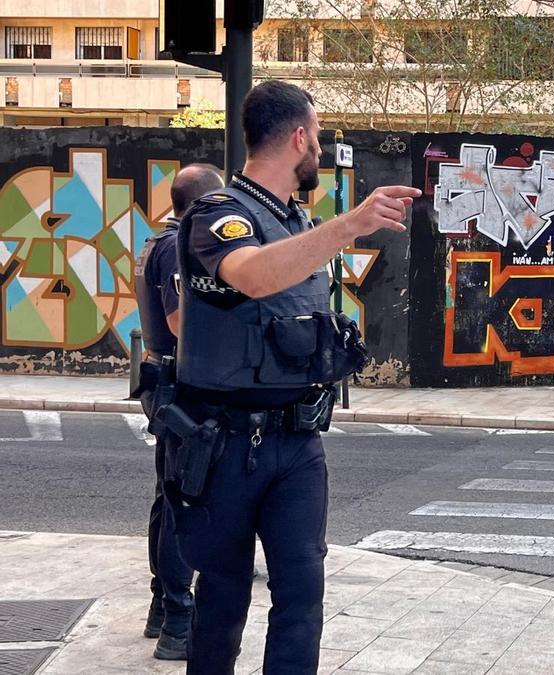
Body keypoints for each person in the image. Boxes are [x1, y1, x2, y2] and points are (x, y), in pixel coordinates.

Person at [170, 80, 421, 673]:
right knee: (224, 598)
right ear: (299, 137)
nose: (321, 153)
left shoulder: (291, 220)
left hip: (298, 445)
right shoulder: (217, 214)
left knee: (302, 601)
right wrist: (347, 227)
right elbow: (252, 276)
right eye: (317, 137)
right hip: (225, 445)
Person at [133, 163, 224, 661]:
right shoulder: (176, 247)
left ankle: (161, 608)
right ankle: (177, 619)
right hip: (181, 388)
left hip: (165, 381)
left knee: (167, 498)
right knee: (180, 504)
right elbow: (179, 319)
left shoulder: (157, 240)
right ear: (205, 204)